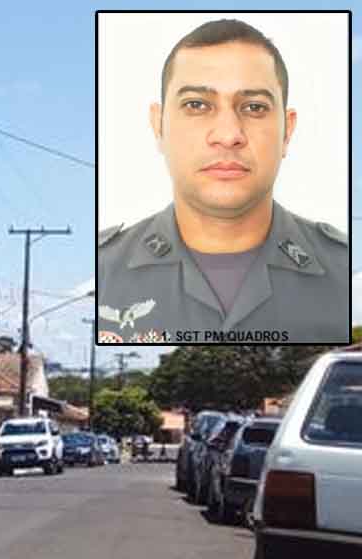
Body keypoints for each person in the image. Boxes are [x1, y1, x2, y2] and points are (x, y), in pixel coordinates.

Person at [97, 19, 349, 344]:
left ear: (287, 131)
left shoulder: (345, 270)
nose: (229, 135)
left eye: (254, 107)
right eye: (197, 105)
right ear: (159, 127)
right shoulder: (105, 271)